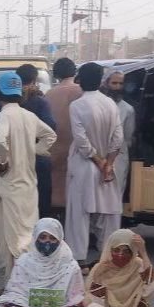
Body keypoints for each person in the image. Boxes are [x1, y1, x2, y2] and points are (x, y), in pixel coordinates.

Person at [0, 72, 57, 279]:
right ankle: (24, 286)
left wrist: (2, 162)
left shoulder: (4, 115)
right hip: (29, 186)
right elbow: (50, 136)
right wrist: (33, 151)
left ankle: (15, 288)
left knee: (12, 242)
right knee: (27, 236)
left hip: (9, 187)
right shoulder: (29, 116)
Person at [0, 218, 89, 307]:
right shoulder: (24, 262)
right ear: (35, 238)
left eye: (53, 238)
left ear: (60, 239)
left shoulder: (70, 265)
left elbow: (77, 297)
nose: (47, 242)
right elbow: (14, 292)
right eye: (43, 237)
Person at [64, 62, 123, 266]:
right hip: (107, 164)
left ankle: (78, 258)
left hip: (84, 164)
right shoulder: (110, 104)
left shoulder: (77, 105)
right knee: (108, 214)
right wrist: (108, 164)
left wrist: (97, 161)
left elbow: (81, 141)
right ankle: (109, 257)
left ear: (81, 80)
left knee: (78, 215)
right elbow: (118, 138)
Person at [0, 65, 57, 219]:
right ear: (34, 81)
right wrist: (31, 149)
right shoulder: (40, 103)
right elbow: (51, 131)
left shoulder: (3, 108)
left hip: (10, 167)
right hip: (35, 165)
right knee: (37, 209)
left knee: (9, 213)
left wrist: (4, 155)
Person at [45, 57, 84, 216]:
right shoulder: (81, 92)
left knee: (57, 188)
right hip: (78, 148)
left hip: (54, 147)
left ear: (56, 74)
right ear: (74, 71)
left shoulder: (49, 94)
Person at [101, 70, 136, 197]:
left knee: (116, 194)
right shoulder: (98, 105)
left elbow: (127, 137)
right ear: (106, 83)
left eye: (120, 83)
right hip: (98, 156)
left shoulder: (128, 109)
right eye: (114, 83)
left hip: (119, 157)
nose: (117, 87)